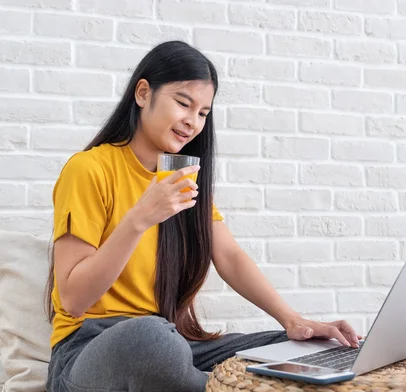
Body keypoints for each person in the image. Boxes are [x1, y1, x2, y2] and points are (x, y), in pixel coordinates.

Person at [43, 40, 361, 392]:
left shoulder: (181, 178)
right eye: (183, 103)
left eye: (203, 113)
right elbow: (73, 298)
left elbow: (229, 256)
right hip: (88, 351)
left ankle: (217, 383)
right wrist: (140, 218)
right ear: (144, 93)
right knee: (152, 338)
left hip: (174, 343)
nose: (192, 122)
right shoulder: (89, 169)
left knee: (309, 349)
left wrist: (292, 321)